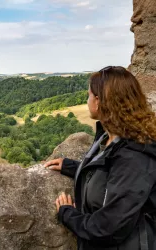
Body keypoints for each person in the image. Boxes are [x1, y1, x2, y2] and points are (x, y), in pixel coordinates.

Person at [44, 66, 156, 250]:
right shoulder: (112, 138)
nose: (87, 100)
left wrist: (67, 214)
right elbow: (111, 174)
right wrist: (74, 167)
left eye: (89, 95)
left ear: (99, 101)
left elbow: (108, 227)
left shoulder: (135, 156)